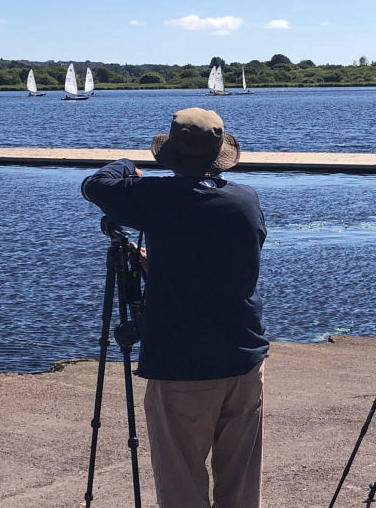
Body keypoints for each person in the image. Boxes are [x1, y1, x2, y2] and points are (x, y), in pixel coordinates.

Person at [81, 107, 269, 508]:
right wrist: (158, 263)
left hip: (182, 367)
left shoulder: (157, 197)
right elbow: (221, 266)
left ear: (171, 155)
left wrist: (129, 166)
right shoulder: (245, 200)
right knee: (241, 487)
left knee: (182, 486)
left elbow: (95, 185)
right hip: (244, 360)